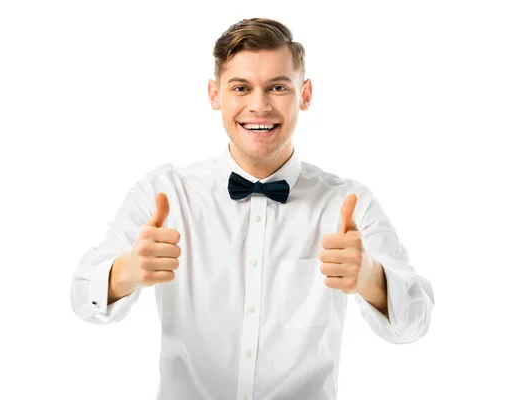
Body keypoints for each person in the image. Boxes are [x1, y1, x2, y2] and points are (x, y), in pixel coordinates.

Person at [70, 17, 435, 400]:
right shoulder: (164, 193)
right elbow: (82, 297)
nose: (259, 106)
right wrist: (125, 273)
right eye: (241, 88)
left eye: (278, 87)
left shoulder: (348, 204)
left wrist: (371, 278)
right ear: (215, 95)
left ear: (305, 94)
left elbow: (416, 322)